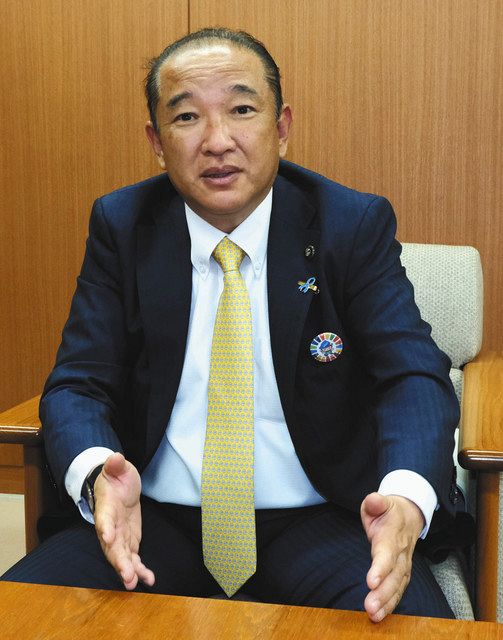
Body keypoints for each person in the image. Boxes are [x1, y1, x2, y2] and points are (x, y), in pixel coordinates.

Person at [2, 28, 461, 622]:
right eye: (187, 117)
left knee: (409, 625)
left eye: (242, 110)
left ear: (282, 127)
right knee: (22, 617)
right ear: (157, 142)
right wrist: (97, 474)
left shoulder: (350, 224)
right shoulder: (123, 225)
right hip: (153, 519)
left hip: (324, 519)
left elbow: (413, 378)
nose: (217, 142)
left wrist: (404, 497)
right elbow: (77, 383)